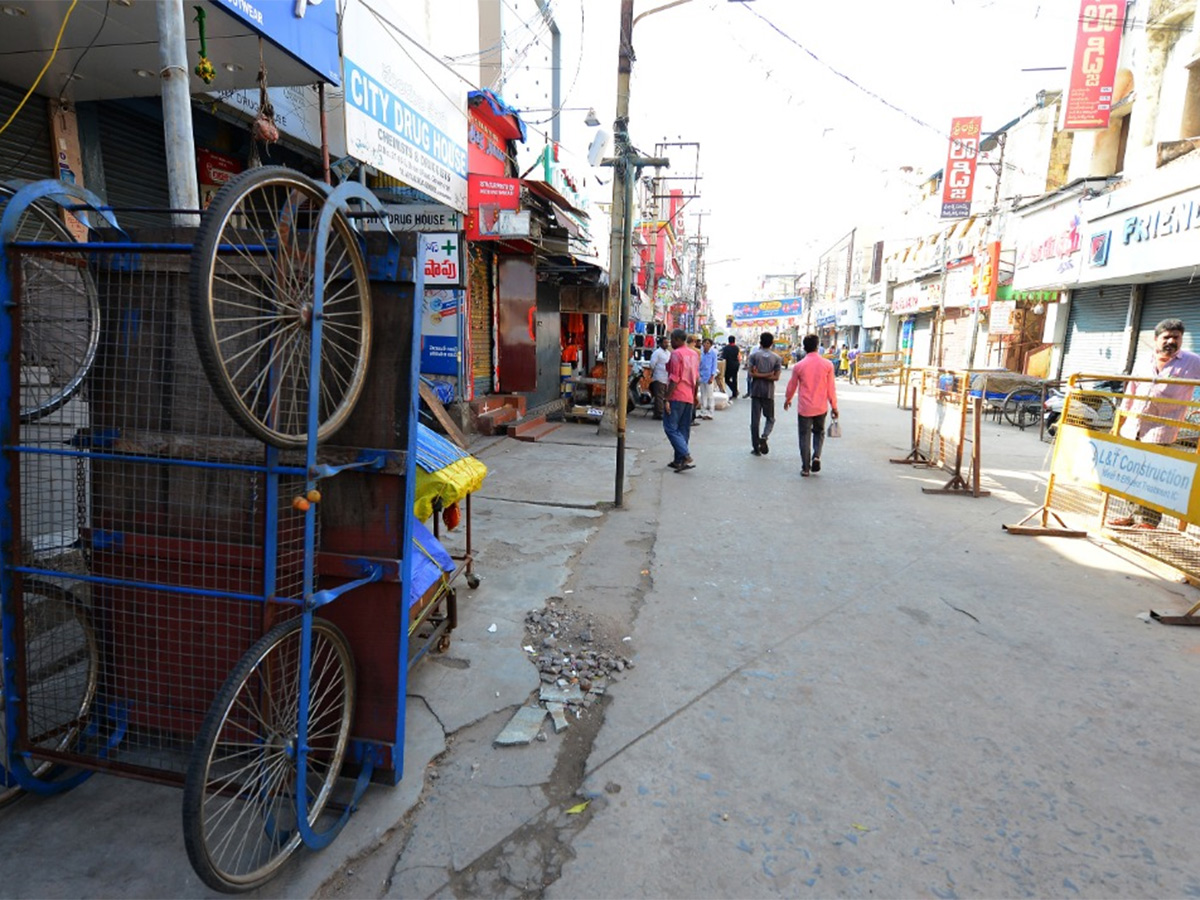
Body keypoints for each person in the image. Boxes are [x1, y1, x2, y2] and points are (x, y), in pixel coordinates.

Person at [1107, 318, 1200, 528]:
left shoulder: (1192, 361)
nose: (1171, 341)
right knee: (1130, 473)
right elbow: (1132, 390)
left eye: (1176, 337)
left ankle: (1148, 521)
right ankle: (1131, 514)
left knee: (1152, 476)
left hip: (1162, 429)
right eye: (1167, 337)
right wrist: (1122, 420)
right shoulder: (1143, 361)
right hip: (1133, 426)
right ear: (1156, 339)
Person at [784, 333, 839, 477]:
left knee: (804, 436)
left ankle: (806, 468)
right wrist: (834, 406)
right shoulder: (827, 365)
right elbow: (831, 388)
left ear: (804, 347)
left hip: (805, 408)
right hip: (821, 407)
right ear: (817, 346)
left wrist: (788, 399)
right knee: (819, 433)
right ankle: (817, 456)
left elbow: (792, 386)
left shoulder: (799, 366)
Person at [663, 328, 699, 472]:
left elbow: (674, 378)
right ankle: (679, 460)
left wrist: (667, 397)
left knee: (670, 427)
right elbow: (696, 378)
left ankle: (684, 454)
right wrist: (695, 395)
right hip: (689, 394)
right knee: (683, 428)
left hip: (677, 394)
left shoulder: (676, 354)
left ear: (678, 339)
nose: (671, 342)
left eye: (672, 339)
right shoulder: (694, 354)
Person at [747, 332, 782, 455]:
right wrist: (768, 374)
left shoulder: (754, 356)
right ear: (772, 343)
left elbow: (751, 374)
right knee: (770, 418)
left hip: (756, 390)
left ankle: (756, 448)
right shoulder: (777, 358)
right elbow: (776, 377)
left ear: (760, 342)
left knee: (755, 421)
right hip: (768, 392)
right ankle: (765, 436)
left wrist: (759, 375)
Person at [648, 337, 672, 421]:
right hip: (659, 377)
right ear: (661, 343)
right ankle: (659, 413)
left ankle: (664, 411)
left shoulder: (668, 353)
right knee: (659, 396)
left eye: (667, 343)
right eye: (665, 342)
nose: (667, 344)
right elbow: (652, 364)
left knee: (665, 396)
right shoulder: (657, 353)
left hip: (666, 378)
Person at [697, 337, 718, 419]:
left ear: (710, 345)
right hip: (701, 376)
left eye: (708, 343)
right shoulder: (701, 353)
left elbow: (714, 366)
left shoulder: (713, 353)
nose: (706, 345)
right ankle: (703, 412)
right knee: (703, 395)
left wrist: (712, 376)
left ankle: (710, 413)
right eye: (705, 343)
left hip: (709, 376)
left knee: (710, 395)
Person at [720, 335, 741, 400]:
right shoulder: (736, 348)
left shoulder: (726, 348)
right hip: (736, 364)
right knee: (735, 379)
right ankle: (734, 393)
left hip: (729, 365)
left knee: (727, 379)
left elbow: (723, 357)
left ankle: (734, 390)